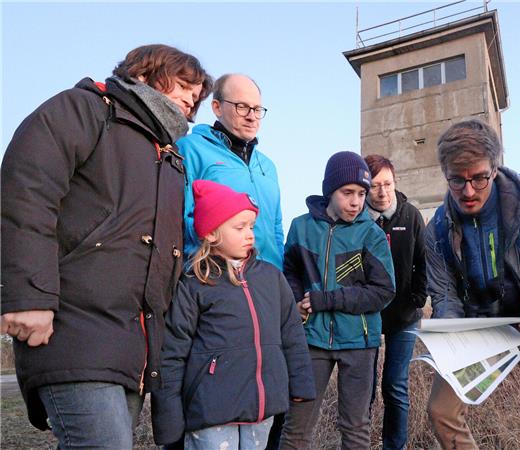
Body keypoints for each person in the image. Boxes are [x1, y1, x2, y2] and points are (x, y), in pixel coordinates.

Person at [0, 44, 212, 447]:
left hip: (131, 346)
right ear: (145, 74)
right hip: (73, 328)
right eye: (185, 86)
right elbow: (26, 192)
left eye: (197, 95)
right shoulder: (84, 110)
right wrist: (28, 296)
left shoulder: (169, 157)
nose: (191, 99)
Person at [426, 119, 520, 449]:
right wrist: (449, 326)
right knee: (441, 410)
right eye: (457, 180)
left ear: (495, 169)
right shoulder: (437, 229)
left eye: (479, 178)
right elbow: (443, 293)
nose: (468, 191)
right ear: (445, 174)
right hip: (476, 329)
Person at [151, 180, 315, 449]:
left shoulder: (271, 278)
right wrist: (168, 419)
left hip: (262, 409)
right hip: (211, 411)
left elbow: (292, 334)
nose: (250, 234)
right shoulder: (195, 284)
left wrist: (300, 384)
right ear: (212, 234)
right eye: (240, 228)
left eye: (251, 226)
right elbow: (172, 352)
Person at [279, 151, 396, 449]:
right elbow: (289, 271)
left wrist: (327, 300)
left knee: (355, 428)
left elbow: (383, 291)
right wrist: (296, 300)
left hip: (359, 341)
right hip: (311, 338)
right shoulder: (301, 227)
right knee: (296, 427)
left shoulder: (371, 234)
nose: (356, 202)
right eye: (347, 193)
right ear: (329, 190)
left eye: (361, 194)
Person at [178, 73, 285, 270]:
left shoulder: (268, 166)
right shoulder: (190, 149)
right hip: (215, 276)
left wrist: (278, 274)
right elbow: (180, 218)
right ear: (217, 107)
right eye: (242, 106)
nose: (251, 116)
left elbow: (276, 230)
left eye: (257, 109)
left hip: (267, 278)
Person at [364, 154, 427, 450]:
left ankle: (394, 446)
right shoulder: (358, 219)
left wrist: (418, 297)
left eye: (387, 184)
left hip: (404, 315)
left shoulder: (410, 216)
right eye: (375, 185)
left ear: (395, 182)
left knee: (394, 384)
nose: (382, 192)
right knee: (364, 388)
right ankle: (358, 443)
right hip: (367, 316)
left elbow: (424, 261)